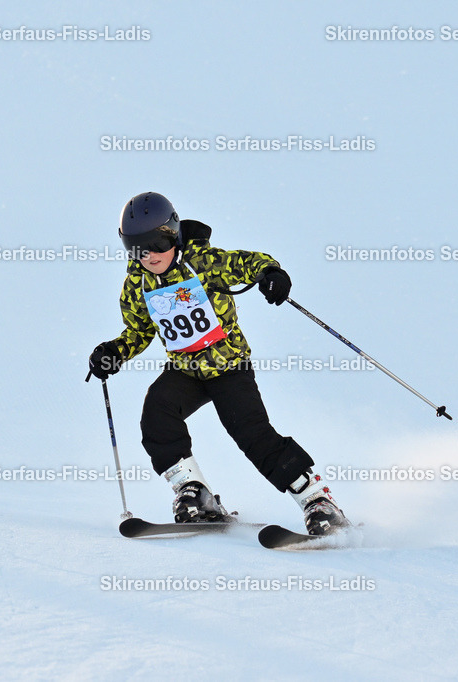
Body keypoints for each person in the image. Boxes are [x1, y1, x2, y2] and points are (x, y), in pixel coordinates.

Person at [88, 192, 349, 535]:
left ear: (173, 234)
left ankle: (317, 501)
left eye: (156, 243)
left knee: (252, 433)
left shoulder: (203, 262)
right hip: (185, 370)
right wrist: (114, 351)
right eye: (136, 248)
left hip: (229, 367)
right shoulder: (137, 284)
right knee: (156, 414)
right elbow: (139, 331)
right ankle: (194, 494)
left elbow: (249, 262)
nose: (148, 255)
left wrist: (271, 273)